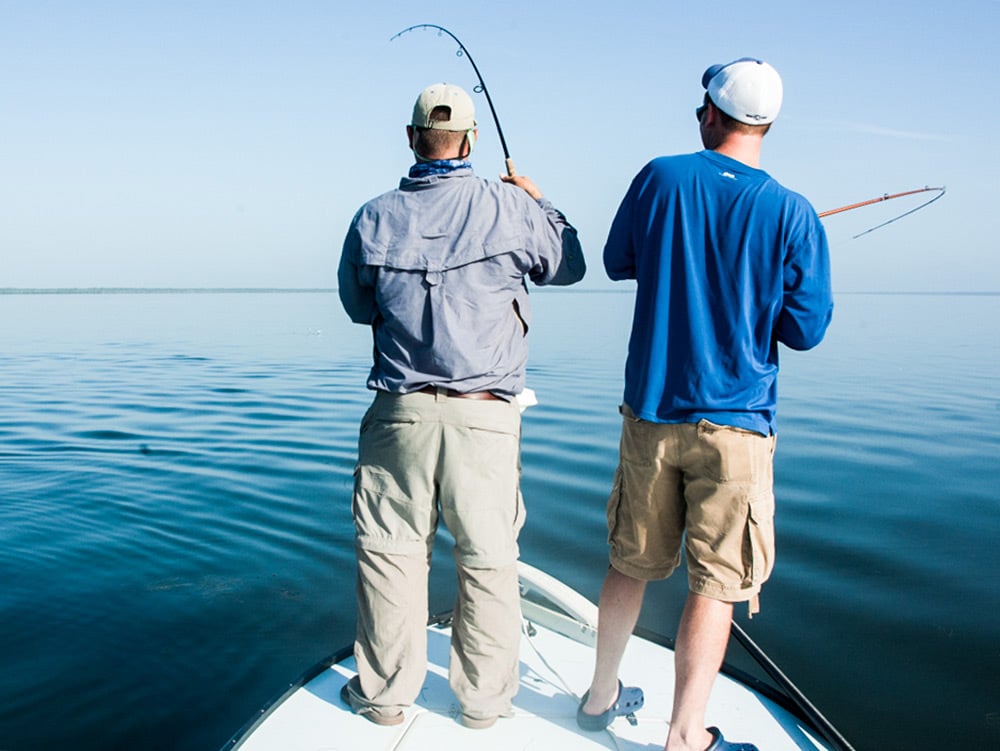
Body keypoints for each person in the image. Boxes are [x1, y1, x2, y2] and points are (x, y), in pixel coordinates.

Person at [576, 59, 833, 751]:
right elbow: (806, 330)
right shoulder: (794, 212)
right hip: (738, 428)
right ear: (768, 124)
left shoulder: (659, 177)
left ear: (714, 115)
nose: (698, 118)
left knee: (630, 561)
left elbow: (616, 260)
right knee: (716, 584)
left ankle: (600, 696)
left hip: (653, 414)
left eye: (701, 107)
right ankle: (686, 734)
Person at [337, 82, 586, 730]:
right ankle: (480, 705)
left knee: (391, 558)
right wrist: (539, 201)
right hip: (485, 417)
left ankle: (386, 697)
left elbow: (357, 306)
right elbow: (571, 266)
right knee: (490, 561)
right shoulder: (512, 208)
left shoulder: (372, 217)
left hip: (400, 415)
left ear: (413, 138)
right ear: (471, 141)